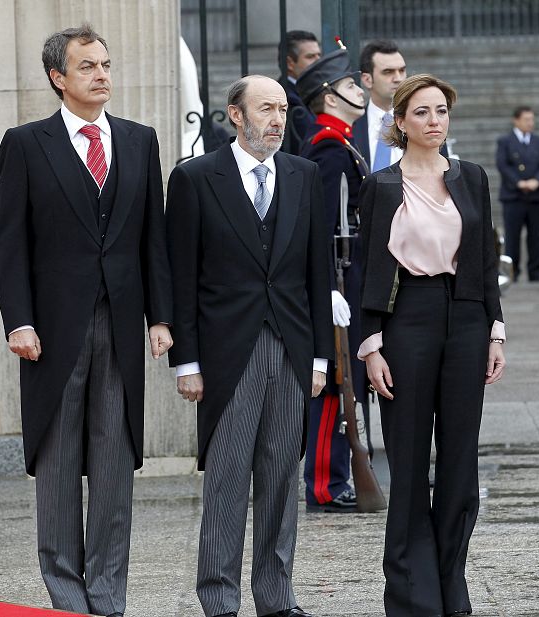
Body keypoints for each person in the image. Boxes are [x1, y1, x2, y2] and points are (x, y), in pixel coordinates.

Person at [0, 24, 173, 617]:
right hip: (51, 332)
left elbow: (153, 238)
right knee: (59, 465)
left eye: (106, 64)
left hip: (120, 325)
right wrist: (18, 321)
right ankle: (67, 598)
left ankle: (108, 598)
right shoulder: (25, 144)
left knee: (115, 463)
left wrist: (161, 317)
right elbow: (10, 243)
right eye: (88, 66)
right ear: (58, 77)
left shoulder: (140, 140)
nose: (101, 75)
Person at [166, 75, 333, 617]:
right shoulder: (194, 178)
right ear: (235, 115)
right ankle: (219, 599)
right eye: (266, 109)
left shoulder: (305, 175)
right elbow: (181, 277)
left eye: (282, 109)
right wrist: (186, 362)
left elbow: (318, 272)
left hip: (291, 349)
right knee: (228, 478)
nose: (278, 119)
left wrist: (320, 358)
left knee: (283, 477)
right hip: (225, 353)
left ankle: (277, 597)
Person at [358, 73, 506, 617]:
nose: (434, 120)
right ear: (400, 122)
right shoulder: (381, 185)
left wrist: (495, 329)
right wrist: (371, 344)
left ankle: (451, 586)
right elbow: (366, 268)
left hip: (466, 317)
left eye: (441, 110)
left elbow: (484, 259)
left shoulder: (472, 177)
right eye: (421, 112)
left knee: (461, 463)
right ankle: (411, 594)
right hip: (406, 320)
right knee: (409, 459)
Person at [296, 47, 369, 512]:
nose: (358, 91)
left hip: (351, 273)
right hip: (339, 276)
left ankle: (336, 474)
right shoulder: (327, 147)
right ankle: (324, 482)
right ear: (329, 97)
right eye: (349, 86)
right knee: (335, 380)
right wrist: (327, 287)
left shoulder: (342, 143)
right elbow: (322, 226)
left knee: (349, 378)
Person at [495, 106, 539, 281]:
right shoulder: (505, 141)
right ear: (516, 120)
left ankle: (536, 272)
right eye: (526, 119)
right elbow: (502, 165)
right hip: (513, 196)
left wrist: (537, 181)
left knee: (536, 236)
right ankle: (513, 272)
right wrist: (518, 182)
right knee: (512, 237)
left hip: (536, 196)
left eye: (532, 119)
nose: (530, 123)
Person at [354, 39, 407, 170]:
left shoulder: (423, 123)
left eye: (402, 70)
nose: (398, 78)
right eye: (388, 72)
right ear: (367, 80)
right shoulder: (352, 126)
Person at [278, 30, 322, 155]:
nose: (319, 61)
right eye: (310, 57)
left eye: (319, 55)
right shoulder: (285, 97)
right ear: (289, 63)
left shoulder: (313, 90)